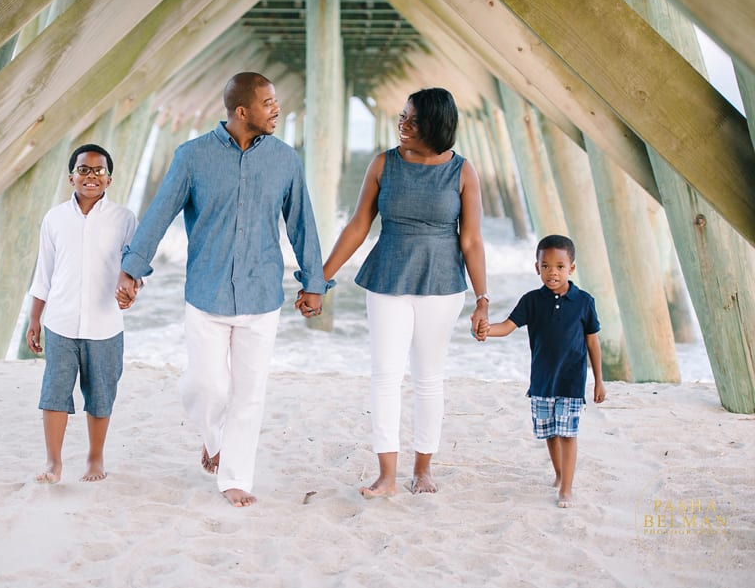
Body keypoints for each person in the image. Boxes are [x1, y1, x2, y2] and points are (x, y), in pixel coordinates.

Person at [117, 72, 331, 507]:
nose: (276, 109)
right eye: (268, 102)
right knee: (206, 387)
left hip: (262, 295)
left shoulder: (286, 161)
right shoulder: (192, 157)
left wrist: (314, 283)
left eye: (276, 101)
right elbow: (159, 214)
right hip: (207, 294)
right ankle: (213, 438)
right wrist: (132, 269)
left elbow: (302, 225)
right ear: (242, 111)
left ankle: (235, 477)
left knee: (249, 394)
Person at [317, 87, 488, 498]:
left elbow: (472, 242)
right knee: (386, 376)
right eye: (402, 117)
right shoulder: (383, 164)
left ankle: (423, 470)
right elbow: (358, 226)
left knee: (429, 378)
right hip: (388, 278)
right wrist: (319, 279)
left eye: (413, 120)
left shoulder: (462, 172)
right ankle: (386, 475)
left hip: (442, 284)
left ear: (436, 125)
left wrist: (483, 300)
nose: (403, 125)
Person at [26, 143, 138, 484]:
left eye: (98, 171)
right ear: (71, 177)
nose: (91, 177)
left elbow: (134, 268)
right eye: (84, 170)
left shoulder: (124, 219)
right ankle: (53, 463)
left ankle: (94, 459)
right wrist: (34, 319)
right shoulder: (55, 218)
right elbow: (43, 273)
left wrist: (131, 289)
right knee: (55, 392)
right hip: (60, 321)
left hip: (105, 324)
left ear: (110, 179)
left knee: (101, 396)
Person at [475, 234, 606, 508]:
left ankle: (566, 489)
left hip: (571, 380)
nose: (552, 272)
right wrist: (488, 330)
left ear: (571, 268)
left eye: (559, 266)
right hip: (543, 380)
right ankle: (559, 474)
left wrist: (598, 381)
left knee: (568, 434)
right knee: (550, 432)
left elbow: (593, 341)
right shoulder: (532, 301)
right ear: (537, 267)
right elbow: (508, 326)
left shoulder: (584, 302)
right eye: (545, 266)